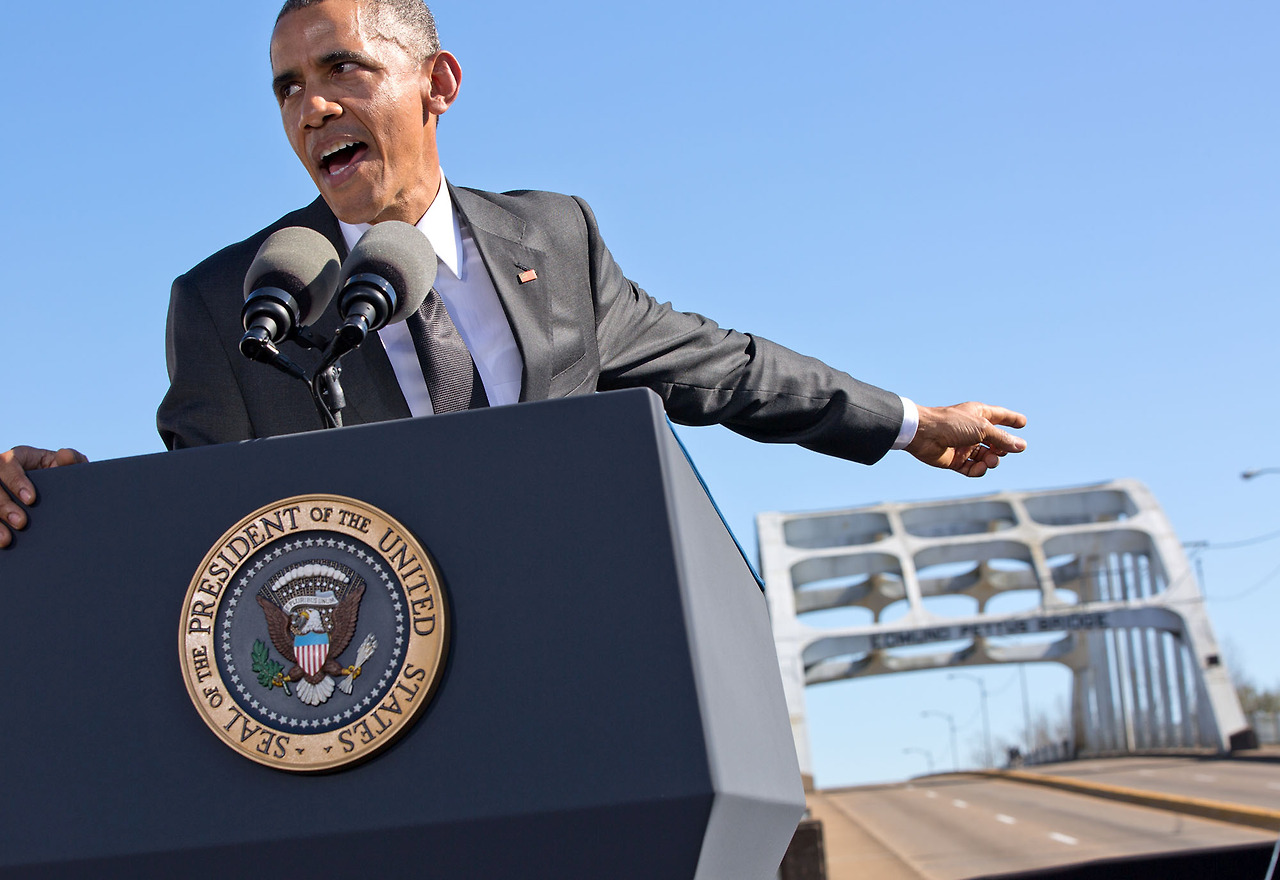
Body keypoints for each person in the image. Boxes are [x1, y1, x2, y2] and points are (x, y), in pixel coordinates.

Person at [0, 0, 1026, 549]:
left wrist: (908, 423)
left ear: (437, 83)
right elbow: (201, 525)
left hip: (572, 672)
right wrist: (65, 508)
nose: (310, 109)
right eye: (287, 88)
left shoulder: (556, 240)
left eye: (341, 70)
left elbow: (724, 367)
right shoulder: (231, 299)